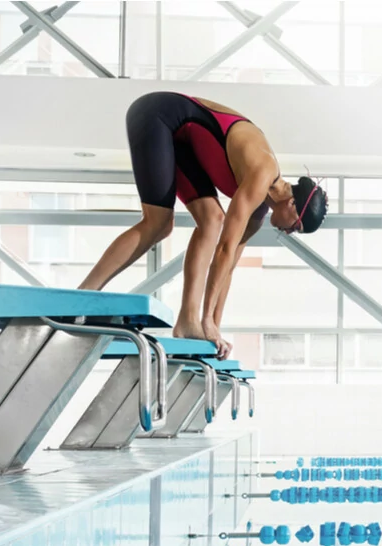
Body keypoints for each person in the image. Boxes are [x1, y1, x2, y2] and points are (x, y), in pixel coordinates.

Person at [79, 91, 328, 358]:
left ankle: (188, 322)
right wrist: (207, 320)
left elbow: (228, 266)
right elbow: (223, 248)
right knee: (159, 223)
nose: (289, 231)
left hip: (182, 142)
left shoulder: (259, 209)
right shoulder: (263, 172)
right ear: (292, 205)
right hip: (158, 116)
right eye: (296, 226)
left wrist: (214, 329)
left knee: (212, 220)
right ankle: (83, 296)